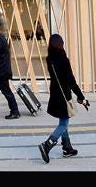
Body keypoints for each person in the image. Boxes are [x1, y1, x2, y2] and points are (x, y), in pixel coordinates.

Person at [37, 34, 87, 164]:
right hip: (64, 96)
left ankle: (67, 148)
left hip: (55, 94)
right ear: (61, 44)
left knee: (64, 121)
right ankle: (47, 144)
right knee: (63, 124)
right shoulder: (63, 60)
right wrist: (81, 97)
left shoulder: (49, 59)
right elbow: (71, 80)